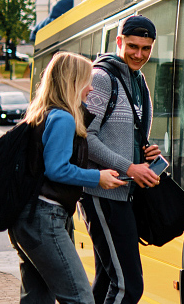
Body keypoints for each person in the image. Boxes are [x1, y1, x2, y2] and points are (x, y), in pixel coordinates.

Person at [9, 51, 126, 304]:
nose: (91, 88)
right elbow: (57, 169)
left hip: (27, 217)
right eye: (87, 81)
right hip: (46, 217)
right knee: (80, 298)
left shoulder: (41, 114)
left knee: (36, 298)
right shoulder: (63, 118)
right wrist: (97, 177)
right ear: (72, 81)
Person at [80, 15, 162, 304]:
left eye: (146, 48)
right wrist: (129, 167)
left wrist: (147, 152)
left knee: (106, 283)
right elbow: (85, 138)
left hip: (124, 195)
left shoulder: (140, 83)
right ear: (118, 42)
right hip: (101, 194)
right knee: (128, 286)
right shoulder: (101, 78)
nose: (139, 54)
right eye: (132, 46)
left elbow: (127, 136)